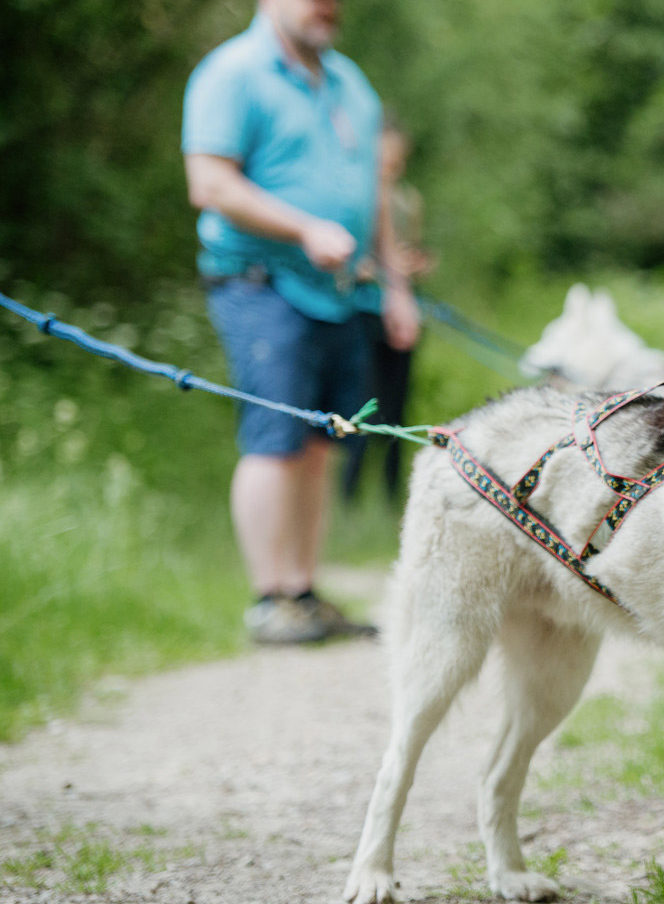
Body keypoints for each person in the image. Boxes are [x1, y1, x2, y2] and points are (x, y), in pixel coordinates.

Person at [182, 0, 420, 644]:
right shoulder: (231, 74)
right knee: (275, 440)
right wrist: (304, 227)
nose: (330, 9)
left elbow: (372, 196)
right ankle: (270, 600)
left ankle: (304, 593)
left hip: (341, 295)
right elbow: (210, 184)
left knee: (321, 441)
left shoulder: (351, 82)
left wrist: (395, 288)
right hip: (261, 285)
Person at [342, 118, 432, 506]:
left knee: (398, 406)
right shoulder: (354, 196)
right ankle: (349, 494)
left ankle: (393, 495)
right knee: (364, 401)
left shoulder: (409, 200)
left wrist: (413, 265)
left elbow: (407, 248)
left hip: (400, 312)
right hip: (363, 313)